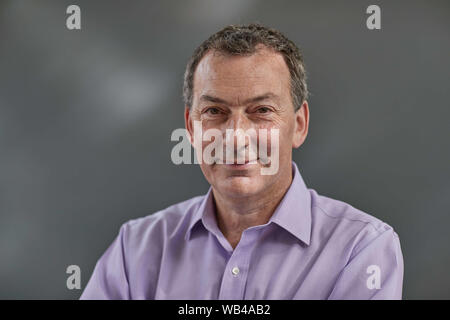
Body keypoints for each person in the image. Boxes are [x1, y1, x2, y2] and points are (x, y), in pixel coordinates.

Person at [80, 23, 403, 300]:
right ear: (191, 128)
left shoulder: (361, 249)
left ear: (300, 124)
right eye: (214, 112)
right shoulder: (134, 249)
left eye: (261, 111)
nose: (235, 136)